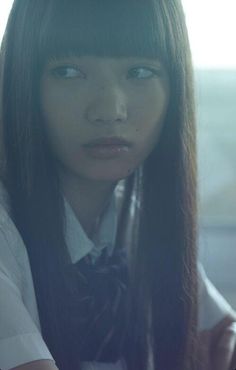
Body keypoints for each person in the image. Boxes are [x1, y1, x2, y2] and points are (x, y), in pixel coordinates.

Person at [0, 1, 235, 369]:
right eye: (68, 71)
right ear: (21, 81)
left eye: (140, 71)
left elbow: (221, 333)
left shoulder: (137, 219)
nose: (110, 109)